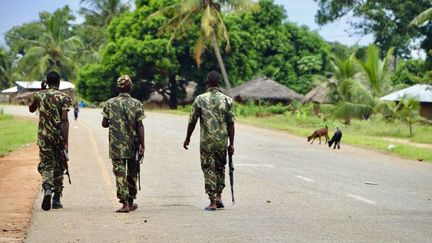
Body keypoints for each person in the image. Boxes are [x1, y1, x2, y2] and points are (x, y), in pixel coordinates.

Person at [183, 71, 235, 211]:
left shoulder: (200, 99)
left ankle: (212, 202)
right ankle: (218, 197)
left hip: (206, 142)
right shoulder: (227, 100)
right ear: (219, 83)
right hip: (221, 142)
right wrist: (231, 144)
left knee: (208, 169)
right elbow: (231, 123)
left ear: (207, 82)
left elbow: (192, 121)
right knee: (220, 168)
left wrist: (188, 138)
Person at [101, 75, 145, 213]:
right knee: (132, 173)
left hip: (116, 145)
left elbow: (104, 124)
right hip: (133, 144)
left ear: (117, 88)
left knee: (120, 173)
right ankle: (131, 202)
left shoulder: (109, 103)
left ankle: (124, 203)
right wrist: (143, 145)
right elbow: (140, 126)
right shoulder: (137, 103)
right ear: (130, 88)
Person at [29, 71, 72, 211]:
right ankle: (57, 199)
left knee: (46, 165)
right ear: (59, 82)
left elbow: (31, 109)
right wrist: (65, 141)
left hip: (44, 138)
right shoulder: (64, 97)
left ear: (46, 81)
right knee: (60, 166)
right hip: (58, 138)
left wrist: (42, 90)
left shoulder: (39, 95)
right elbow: (65, 120)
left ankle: (47, 188)